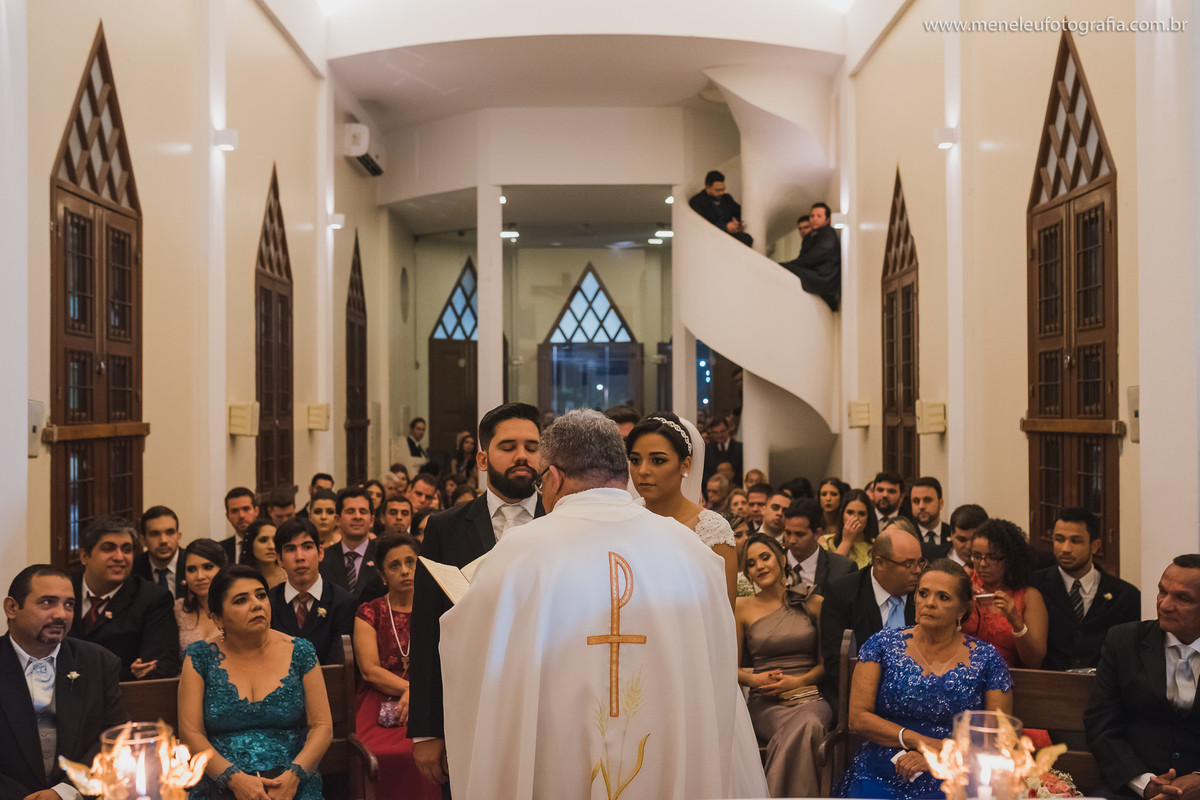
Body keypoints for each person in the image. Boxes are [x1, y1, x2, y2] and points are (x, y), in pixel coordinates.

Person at [440, 409, 767, 799]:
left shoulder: (519, 550)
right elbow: (715, 662)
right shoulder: (690, 553)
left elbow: (472, 651)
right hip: (669, 743)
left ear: (554, 478)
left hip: (556, 749)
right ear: (623, 472)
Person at [410, 402, 544, 790]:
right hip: (472, 700)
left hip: (546, 701)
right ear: (483, 458)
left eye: (532, 447)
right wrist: (426, 731)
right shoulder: (445, 528)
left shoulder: (563, 521)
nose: (522, 456)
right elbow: (426, 631)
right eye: (509, 446)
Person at [838, 560, 1014, 799]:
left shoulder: (986, 659)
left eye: (943, 597)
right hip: (883, 761)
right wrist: (920, 741)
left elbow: (996, 736)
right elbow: (858, 719)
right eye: (923, 594)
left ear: (962, 610)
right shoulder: (882, 645)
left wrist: (938, 758)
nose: (929, 603)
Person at [179, 565, 332, 799]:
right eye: (241, 600)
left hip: (292, 784)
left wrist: (295, 776)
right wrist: (234, 779)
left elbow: (322, 726)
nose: (256, 604)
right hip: (220, 785)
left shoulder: (300, 652)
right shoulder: (200, 658)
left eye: (261, 595)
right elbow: (190, 733)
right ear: (218, 617)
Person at [0, 564, 128, 799]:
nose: (61, 614)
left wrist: (66, 791)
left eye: (69, 604)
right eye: (47, 602)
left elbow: (116, 737)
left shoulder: (98, 662)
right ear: (12, 608)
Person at [1084, 554, 1200, 800]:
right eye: (1162, 592)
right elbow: (1101, 724)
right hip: (1131, 790)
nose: (1165, 605)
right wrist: (1145, 783)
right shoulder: (1124, 642)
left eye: (1182, 598)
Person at [736, 534, 832, 797]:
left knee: (811, 723)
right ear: (748, 573)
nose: (760, 566)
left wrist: (797, 682)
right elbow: (729, 667)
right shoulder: (741, 608)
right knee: (804, 730)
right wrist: (755, 680)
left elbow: (826, 665)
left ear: (781, 558)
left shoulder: (813, 602)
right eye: (752, 563)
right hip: (767, 703)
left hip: (810, 696)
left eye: (765, 557)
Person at [353, 534, 440, 800]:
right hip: (378, 698)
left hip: (432, 696)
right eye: (394, 565)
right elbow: (369, 670)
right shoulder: (369, 612)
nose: (404, 570)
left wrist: (420, 693)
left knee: (433, 747)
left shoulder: (439, 609)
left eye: (410, 562)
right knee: (373, 752)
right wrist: (412, 689)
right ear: (382, 575)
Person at [627, 411, 739, 607]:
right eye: (635, 460)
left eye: (658, 460)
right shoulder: (626, 517)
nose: (642, 471)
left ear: (685, 465)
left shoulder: (713, 530)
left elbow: (724, 613)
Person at [69, 515, 180, 679]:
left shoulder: (153, 598)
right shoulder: (63, 590)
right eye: (108, 548)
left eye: (127, 550)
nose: (119, 557)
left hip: (122, 695)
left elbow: (158, 665)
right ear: (85, 556)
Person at [819, 528, 922, 704]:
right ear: (879, 563)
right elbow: (837, 664)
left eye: (920, 563)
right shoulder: (842, 594)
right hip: (861, 698)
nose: (917, 571)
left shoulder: (925, 593)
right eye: (908, 564)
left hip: (919, 695)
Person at [1033, 507, 1140, 672]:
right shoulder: (1034, 585)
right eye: (1059, 539)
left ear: (1095, 546)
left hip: (1103, 689)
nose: (1065, 549)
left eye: (1076, 541)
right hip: (1049, 685)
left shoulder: (1125, 596)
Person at [962, 519, 1049, 668]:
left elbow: (1034, 661)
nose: (982, 564)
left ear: (1010, 559)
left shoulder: (1028, 597)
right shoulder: (963, 579)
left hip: (1006, 679)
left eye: (992, 557)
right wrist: (960, 599)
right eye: (976, 556)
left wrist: (1016, 622)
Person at [270, 517, 357, 665]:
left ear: (320, 552)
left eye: (307, 547)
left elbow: (337, 665)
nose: (300, 557)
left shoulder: (343, 603)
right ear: (279, 559)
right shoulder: (269, 602)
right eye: (290, 549)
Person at [321, 486, 387, 603]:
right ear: (337, 519)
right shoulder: (323, 559)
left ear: (371, 520)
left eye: (363, 511)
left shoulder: (384, 555)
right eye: (350, 511)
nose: (357, 516)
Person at [779, 201, 841, 311]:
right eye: (812, 216)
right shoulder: (810, 237)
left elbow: (817, 255)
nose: (814, 219)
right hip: (818, 275)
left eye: (819, 216)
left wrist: (793, 264)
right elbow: (805, 258)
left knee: (784, 267)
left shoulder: (828, 233)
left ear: (827, 219)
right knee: (785, 267)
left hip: (825, 278)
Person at [785, 498, 855, 591]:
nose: (792, 540)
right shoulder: (772, 563)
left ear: (817, 533)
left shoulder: (842, 569)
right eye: (788, 533)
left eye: (799, 534)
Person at [176, 538, 228, 653]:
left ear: (222, 569)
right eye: (191, 569)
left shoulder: (236, 606)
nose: (200, 576)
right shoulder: (178, 609)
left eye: (207, 567)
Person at [689, 169, 753, 246]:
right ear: (707, 187)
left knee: (747, 239)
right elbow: (701, 225)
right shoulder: (697, 202)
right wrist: (726, 227)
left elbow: (739, 212)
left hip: (728, 236)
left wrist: (738, 224)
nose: (722, 192)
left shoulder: (727, 198)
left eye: (723, 189)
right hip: (710, 239)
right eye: (718, 190)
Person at [133, 504, 185, 599]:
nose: (163, 541)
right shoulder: (133, 570)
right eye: (155, 534)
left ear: (178, 537)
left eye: (170, 532)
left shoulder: (193, 564)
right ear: (143, 540)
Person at [822, 488, 881, 569]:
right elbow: (830, 573)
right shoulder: (826, 541)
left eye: (861, 514)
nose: (855, 518)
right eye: (850, 512)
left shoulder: (877, 545)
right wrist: (846, 541)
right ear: (842, 514)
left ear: (868, 517)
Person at [240, 519, 286, 588]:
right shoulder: (240, 579)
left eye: (275, 540)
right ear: (250, 544)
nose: (271, 546)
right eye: (263, 540)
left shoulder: (289, 577)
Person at [909, 477, 951, 551]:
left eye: (927, 500)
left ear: (941, 503)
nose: (921, 506)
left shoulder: (952, 534)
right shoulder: (905, 535)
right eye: (916, 501)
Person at [703, 415, 744, 485]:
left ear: (728, 429)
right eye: (716, 432)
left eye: (722, 431)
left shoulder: (740, 448)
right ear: (711, 433)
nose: (719, 435)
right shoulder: (707, 450)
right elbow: (705, 473)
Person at [222, 487, 259, 563]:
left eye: (246, 509)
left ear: (256, 511)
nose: (241, 515)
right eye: (234, 511)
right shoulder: (220, 550)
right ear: (227, 516)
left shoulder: (272, 545)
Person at [945, 504, 988, 568]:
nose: (969, 546)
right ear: (952, 535)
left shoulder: (998, 565)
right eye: (962, 539)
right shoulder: (933, 559)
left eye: (975, 539)